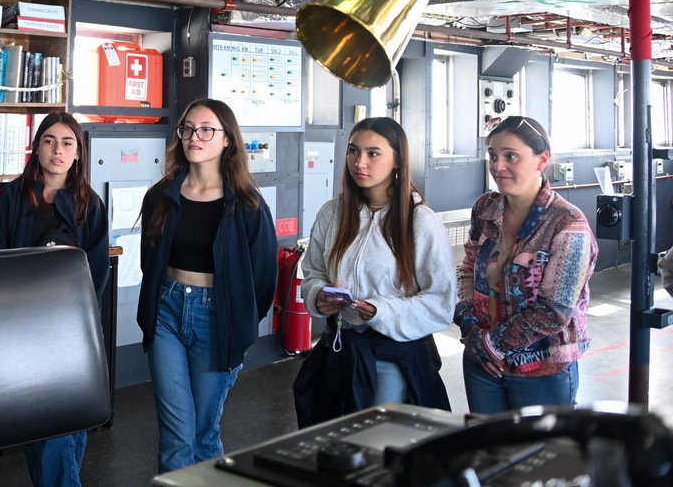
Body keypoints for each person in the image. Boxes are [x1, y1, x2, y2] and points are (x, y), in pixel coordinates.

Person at [137, 98, 278, 474]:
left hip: (217, 319)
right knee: (175, 435)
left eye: (206, 130)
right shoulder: (161, 196)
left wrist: (238, 327)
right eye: (187, 129)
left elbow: (263, 281)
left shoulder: (247, 206)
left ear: (227, 139)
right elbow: (149, 261)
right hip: (167, 312)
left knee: (201, 433)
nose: (194, 137)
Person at [0, 111, 109, 487]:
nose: (58, 150)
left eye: (67, 142)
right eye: (49, 141)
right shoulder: (11, 196)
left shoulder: (90, 203)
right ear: (36, 147)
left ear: (78, 153)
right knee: (47, 423)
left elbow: (97, 269)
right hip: (25, 330)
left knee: (74, 422)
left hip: (72, 330)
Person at [301, 117, 455, 414]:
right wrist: (318, 295)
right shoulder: (333, 212)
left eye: (373, 153)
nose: (360, 162)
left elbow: (441, 303)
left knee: (375, 442)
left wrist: (381, 310)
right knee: (335, 444)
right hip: (339, 349)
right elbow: (314, 272)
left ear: (397, 159)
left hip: (390, 357)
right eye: (353, 151)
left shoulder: (419, 221)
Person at [455, 115, 596, 414]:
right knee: (489, 450)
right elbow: (468, 267)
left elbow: (555, 311)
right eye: (493, 156)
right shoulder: (485, 208)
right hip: (483, 365)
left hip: (542, 371)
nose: (497, 166)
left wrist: (490, 344)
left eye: (511, 156)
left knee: (540, 457)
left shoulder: (567, 223)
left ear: (542, 160)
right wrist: (469, 325)